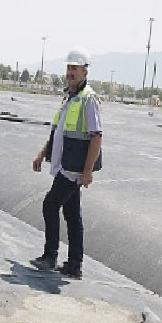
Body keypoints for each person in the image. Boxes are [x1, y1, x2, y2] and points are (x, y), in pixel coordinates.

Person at [30, 48, 103, 279]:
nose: (70, 72)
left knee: (50, 205)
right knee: (72, 214)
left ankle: (50, 256)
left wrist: (88, 171)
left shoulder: (88, 99)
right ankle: (74, 265)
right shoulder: (70, 97)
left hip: (74, 168)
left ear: (84, 71)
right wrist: (43, 153)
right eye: (69, 68)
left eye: (75, 68)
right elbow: (57, 131)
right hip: (65, 163)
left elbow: (96, 136)